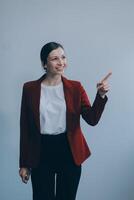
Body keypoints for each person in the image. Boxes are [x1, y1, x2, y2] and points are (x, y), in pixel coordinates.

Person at [19, 42, 111, 200]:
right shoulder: (29, 89)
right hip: (41, 151)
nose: (61, 62)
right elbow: (25, 128)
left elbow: (92, 119)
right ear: (44, 64)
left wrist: (100, 95)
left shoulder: (75, 88)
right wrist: (24, 163)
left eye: (63, 57)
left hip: (69, 151)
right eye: (55, 58)